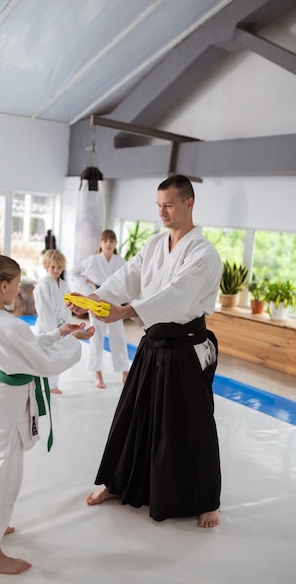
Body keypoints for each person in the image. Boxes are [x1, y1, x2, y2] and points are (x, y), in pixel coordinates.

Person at [66, 174, 223, 527]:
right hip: (153, 343)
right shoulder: (154, 244)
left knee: (191, 424)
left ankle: (206, 499)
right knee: (133, 413)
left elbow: (177, 295)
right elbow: (127, 278)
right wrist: (94, 299)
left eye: (168, 205)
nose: (162, 212)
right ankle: (118, 482)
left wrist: (128, 310)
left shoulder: (203, 253)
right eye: (158, 206)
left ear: (189, 203)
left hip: (185, 347)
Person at [0, 254, 94, 574]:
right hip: (7, 405)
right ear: (4, 285)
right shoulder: (9, 326)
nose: (19, 292)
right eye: (16, 285)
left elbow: (29, 346)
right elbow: (42, 361)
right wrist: (75, 341)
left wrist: (59, 333)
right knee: (4, 471)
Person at [70, 229, 130, 388]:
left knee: (119, 337)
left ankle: (125, 370)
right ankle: (97, 372)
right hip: (97, 302)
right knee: (96, 337)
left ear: (115, 243)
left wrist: (125, 299)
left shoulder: (120, 261)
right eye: (105, 241)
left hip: (114, 302)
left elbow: (128, 280)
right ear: (101, 243)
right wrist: (89, 290)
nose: (108, 244)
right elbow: (74, 272)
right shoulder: (94, 260)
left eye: (111, 241)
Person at [33, 249, 73, 394]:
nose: (56, 270)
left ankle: (53, 385)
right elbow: (44, 308)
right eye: (53, 267)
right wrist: (53, 330)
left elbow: (68, 307)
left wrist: (66, 326)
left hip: (60, 326)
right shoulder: (43, 284)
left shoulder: (64, 285)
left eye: (59, 267)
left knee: (56, 355)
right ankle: (40, 384)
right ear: (46, 266)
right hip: (46, 327)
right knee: (43, 355)